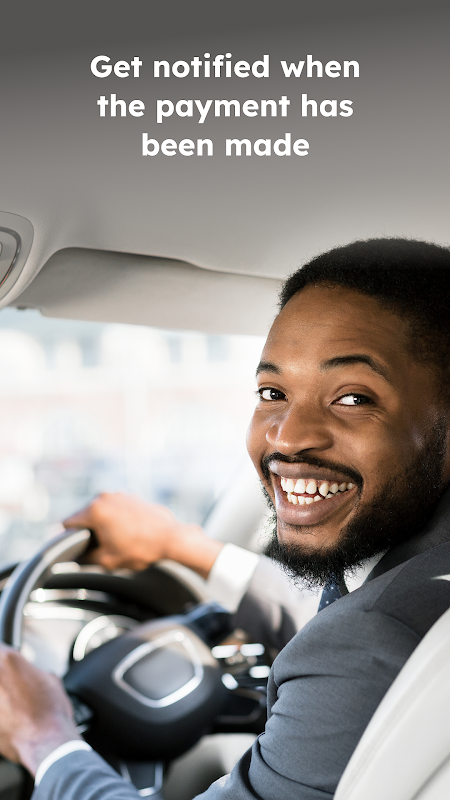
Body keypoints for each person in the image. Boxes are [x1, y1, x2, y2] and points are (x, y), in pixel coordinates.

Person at [2, 237, 450, 799]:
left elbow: (362, 639)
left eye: (353, 398)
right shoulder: (418, 592)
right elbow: (353, 619)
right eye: (272, 391)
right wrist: (181, 546)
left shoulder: (369, 643)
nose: (287, 436)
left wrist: (45, 738)